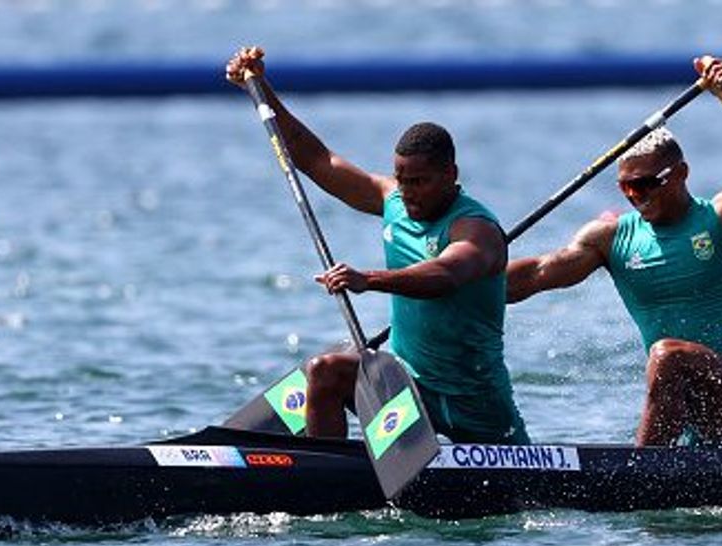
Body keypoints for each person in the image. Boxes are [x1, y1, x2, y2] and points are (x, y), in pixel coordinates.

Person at [226, 46, 529, 445]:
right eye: (401, 179)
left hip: (476, 401)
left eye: (418, 181)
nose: (407, 192)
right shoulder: (393, 201)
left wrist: (369, 279)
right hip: (407, 387)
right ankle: (327, 477)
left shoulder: (476, 229)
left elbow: (447, 274)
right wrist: (260, 89)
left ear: (450, 174)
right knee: (324, 370)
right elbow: (317, 159)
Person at [506, 55, 722, 447]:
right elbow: (536, 273)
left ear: (682, 174)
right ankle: (650, 475)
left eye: (647, 184)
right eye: (627, 188)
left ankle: (638, 474)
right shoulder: (610, 238)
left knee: (667, 355)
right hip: (686, 416)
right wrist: (461, 284)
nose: (636, 196)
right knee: (667, 360)